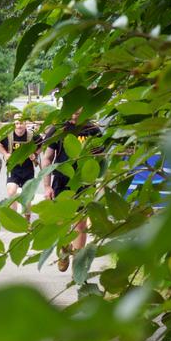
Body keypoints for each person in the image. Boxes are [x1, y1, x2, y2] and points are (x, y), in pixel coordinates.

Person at [41, 108, 102, 272]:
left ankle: (78, 264)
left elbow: (101, 159)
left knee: (80, 225)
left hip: (85, 182)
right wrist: (46, 186)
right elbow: (47, 159)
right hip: (61, 182)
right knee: (62, 223)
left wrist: (100, 183)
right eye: (73, 108)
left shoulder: (93, 130)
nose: (75, 112)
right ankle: (64, 250)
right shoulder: (58, 130)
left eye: (80, 109)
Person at [0, 113, 40, 219]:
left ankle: (27, 219)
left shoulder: (32, 135)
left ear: (25, 123)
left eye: (21, 123)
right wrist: (6, 154)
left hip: (28, 169)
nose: (19, 126)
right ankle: (14, 217)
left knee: (27, 196)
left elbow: (42, 144)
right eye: (17, 123)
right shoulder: (8, 135)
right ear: (14, 124)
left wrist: (35, 154)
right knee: (11, 192)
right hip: (14, 168)